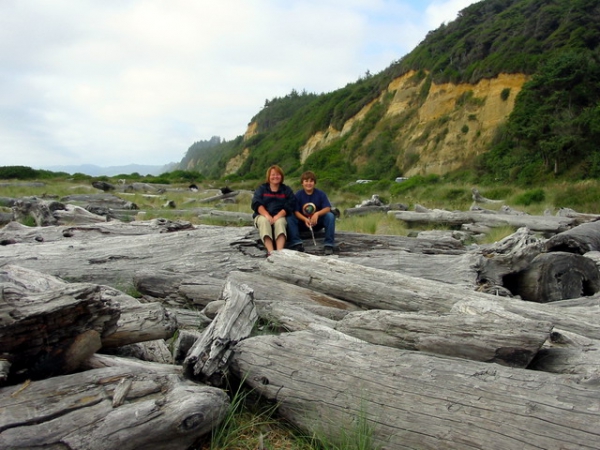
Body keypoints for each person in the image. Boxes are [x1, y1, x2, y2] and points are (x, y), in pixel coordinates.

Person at [251, 165, 297, 257]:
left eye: (278, 174)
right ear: (268, 176)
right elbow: (256, 203)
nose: (275, 177)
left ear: (281, 176)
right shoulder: (262, 189)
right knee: (264, 221)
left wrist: (278, 216)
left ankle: (279, 252)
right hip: (262, 215)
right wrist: (267, 215)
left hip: (280, 215)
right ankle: (270, 252)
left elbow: (290, 204)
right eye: (273, 175)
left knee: (280, 223)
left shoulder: (286, 190)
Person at [287, 170, 336, 255]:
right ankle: (296, 243)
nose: (309, 183)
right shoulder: (298, 195)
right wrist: (305, 219)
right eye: (306, 181)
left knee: (330, 216)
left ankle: (329, 244)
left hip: (316, 223)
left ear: (314, 182)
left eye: (311, 181)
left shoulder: (321, 194)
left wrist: (317, 214)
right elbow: (296, 211)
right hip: (303, 223)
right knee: (290, 216)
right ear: (302, 183)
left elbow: (327, 208)